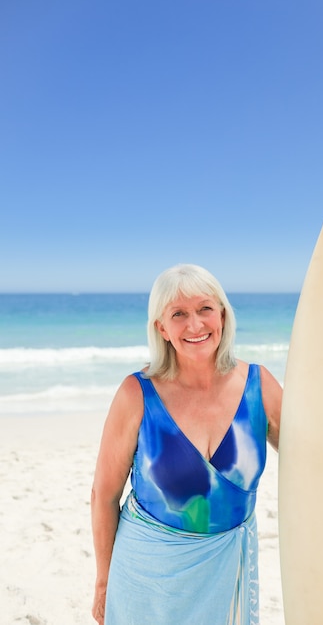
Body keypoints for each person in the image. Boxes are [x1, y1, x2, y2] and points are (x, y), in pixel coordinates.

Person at [91, 263, 282, 625]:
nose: (195, 325)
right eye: (179, 314)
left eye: (205, 309)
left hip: (228, 573)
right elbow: (103, 494)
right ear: (161, 328)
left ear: (222, 316)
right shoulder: (137, 394)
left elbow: (311, 455)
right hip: (149, 579)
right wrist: (103, 581)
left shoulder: (259, 386)